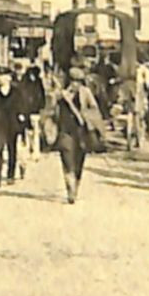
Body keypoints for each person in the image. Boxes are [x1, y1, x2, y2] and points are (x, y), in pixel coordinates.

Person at [53, 66, 106, 204]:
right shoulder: (61, 93)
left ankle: (75, 183)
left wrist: (84, 115)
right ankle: (70, 187)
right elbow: (52, 108)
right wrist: (61, 97)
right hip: (65, 131)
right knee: (67, 159)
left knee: (79, 161)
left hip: (82, 132)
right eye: (72, 81)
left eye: (78, 81)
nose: (75, 84)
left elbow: (94, 109)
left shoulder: (86, 93)